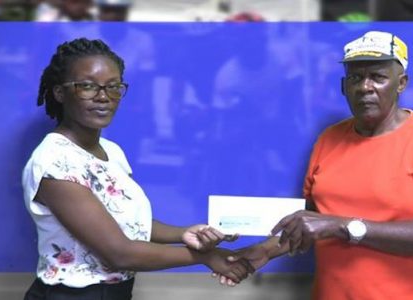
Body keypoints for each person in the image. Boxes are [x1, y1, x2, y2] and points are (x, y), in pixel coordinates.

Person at [22, 38, 253, 300]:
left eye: (113, 87)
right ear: (59, 93)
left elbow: (125, 222)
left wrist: (184, 233)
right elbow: (119, 253)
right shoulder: (55, 161)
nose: (103, 96)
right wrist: (206, 256)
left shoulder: (111, 151)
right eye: (87, 86)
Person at [224, 31, 413, 299]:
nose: (365, 87)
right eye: (355, 78)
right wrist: (266, 250)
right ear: (343, 87)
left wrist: (343, 226)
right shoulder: (329, 138)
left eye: (378, 77)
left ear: (401, 83)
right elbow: (313, 220)